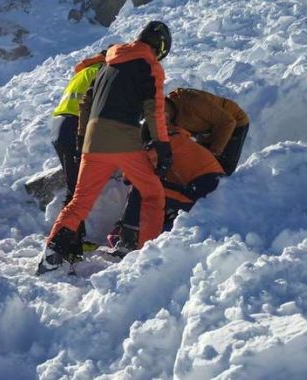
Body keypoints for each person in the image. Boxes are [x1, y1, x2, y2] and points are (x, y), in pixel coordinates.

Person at [37, 21, 173, 275]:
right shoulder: (149, 65)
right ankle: (147, 258)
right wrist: (162, 146)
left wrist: (81, 138)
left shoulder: (109, 62)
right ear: (161, 48)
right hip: (123, 137)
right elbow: (154, 109)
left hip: (93, 139)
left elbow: (87, 101)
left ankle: (53, 254)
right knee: (153, 193)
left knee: (80, 201)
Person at [107, 123, 224, 255]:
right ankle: (140, 238)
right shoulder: (177, 140)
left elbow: (129, 177)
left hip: (200, 193)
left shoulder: (163, 145)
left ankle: (127, 242)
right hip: (206, 192)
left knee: (142, 188)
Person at [50, 51, 106, 239]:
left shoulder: (86, 69)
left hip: (60, 125)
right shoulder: (104, 70)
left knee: (74, 186)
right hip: (75, 125)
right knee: (77, 191)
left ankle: (72, 238)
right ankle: (66, 240)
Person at [166, 88, 249, 175]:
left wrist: (215, 151)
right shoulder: (166, 118)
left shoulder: (192, 101)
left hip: (234, 123)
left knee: (222, 169)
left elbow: (228, 122)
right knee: (201, 165)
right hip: (207, 130)